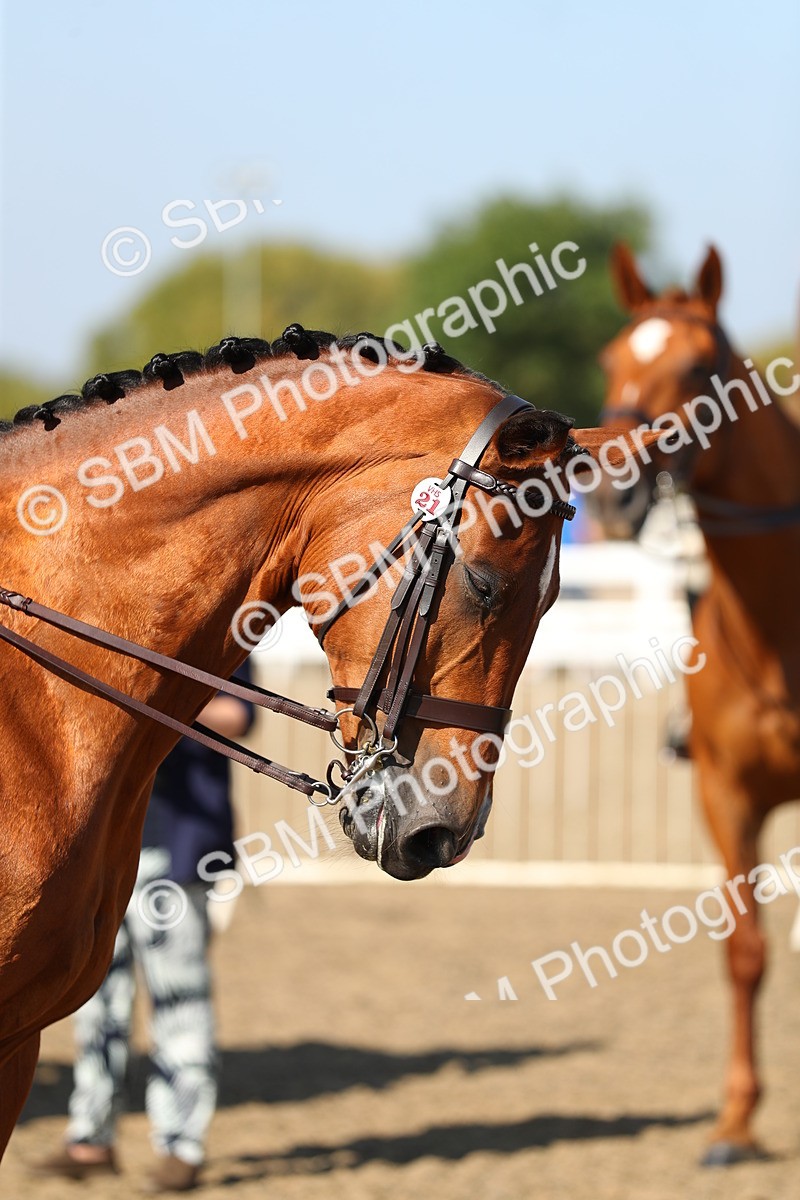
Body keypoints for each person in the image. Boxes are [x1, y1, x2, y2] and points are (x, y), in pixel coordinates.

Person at [33, 662, 254, 1193]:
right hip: (104, 846)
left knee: (178, 998)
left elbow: (239, 714)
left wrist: (154, 687)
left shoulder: (223, 633)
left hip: (178, 852)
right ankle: (91, 1136)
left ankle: (182, 1145)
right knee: (92, 999)